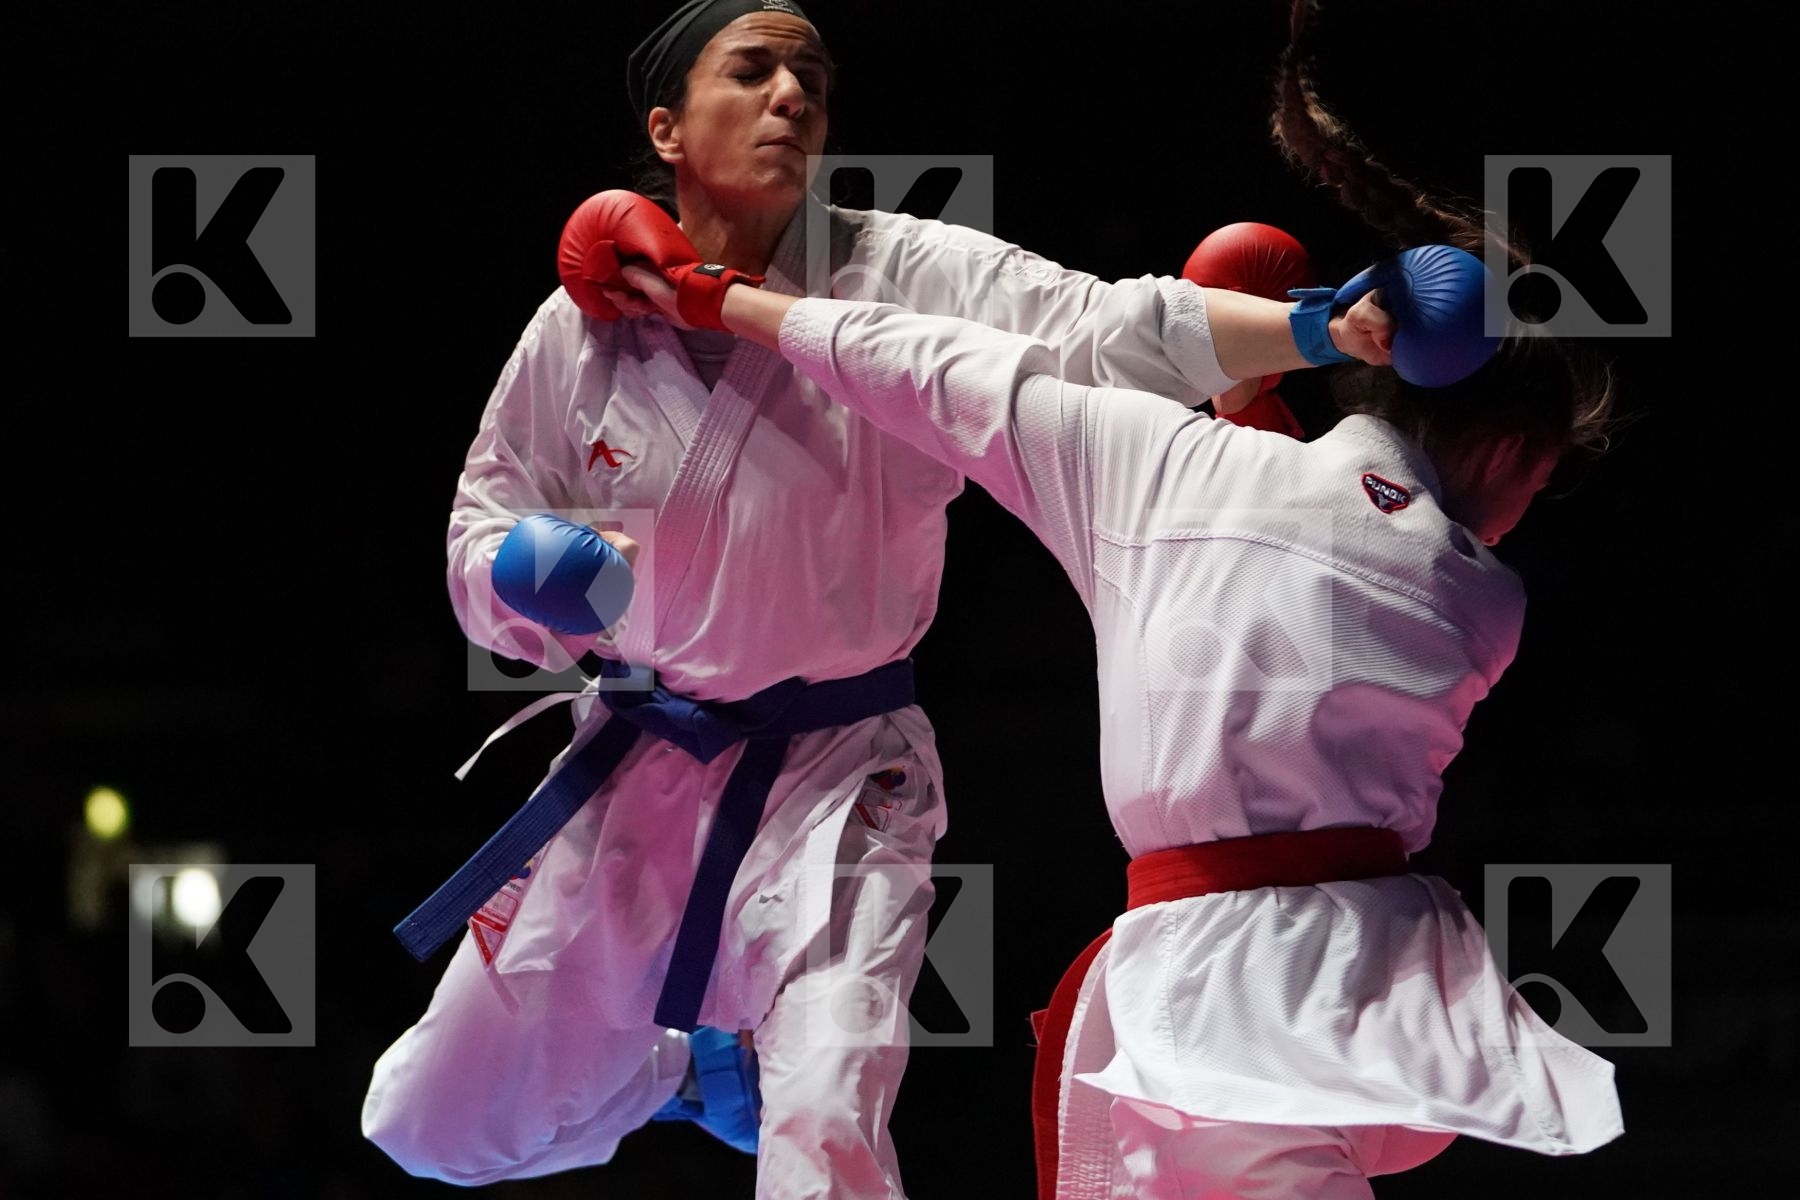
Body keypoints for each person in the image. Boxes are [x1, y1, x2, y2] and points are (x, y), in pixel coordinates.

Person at [359, 1, 1298, 1195]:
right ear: (666, 126)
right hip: (638, 760)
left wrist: (1325, 328)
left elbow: (1102, 329)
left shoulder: (902, 274)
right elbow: (475, 530)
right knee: (430, 1125)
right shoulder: (576, 332)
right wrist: (517, 578)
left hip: (843, 776)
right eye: (752, 71)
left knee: (825, 1134)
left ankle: (737, 1067)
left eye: (810, 76)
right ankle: (681, 1074)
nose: (793, 96)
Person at [609, 132, 1621, 1195]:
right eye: (1537, 483)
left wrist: (722, 302)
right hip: (1340, 972)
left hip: (1208, 973)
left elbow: (927, 364)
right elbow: (1306, 568)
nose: (1514, 521)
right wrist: (1248, 399)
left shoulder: (1172, 473)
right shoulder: (1481, 598)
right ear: (1512, 454)